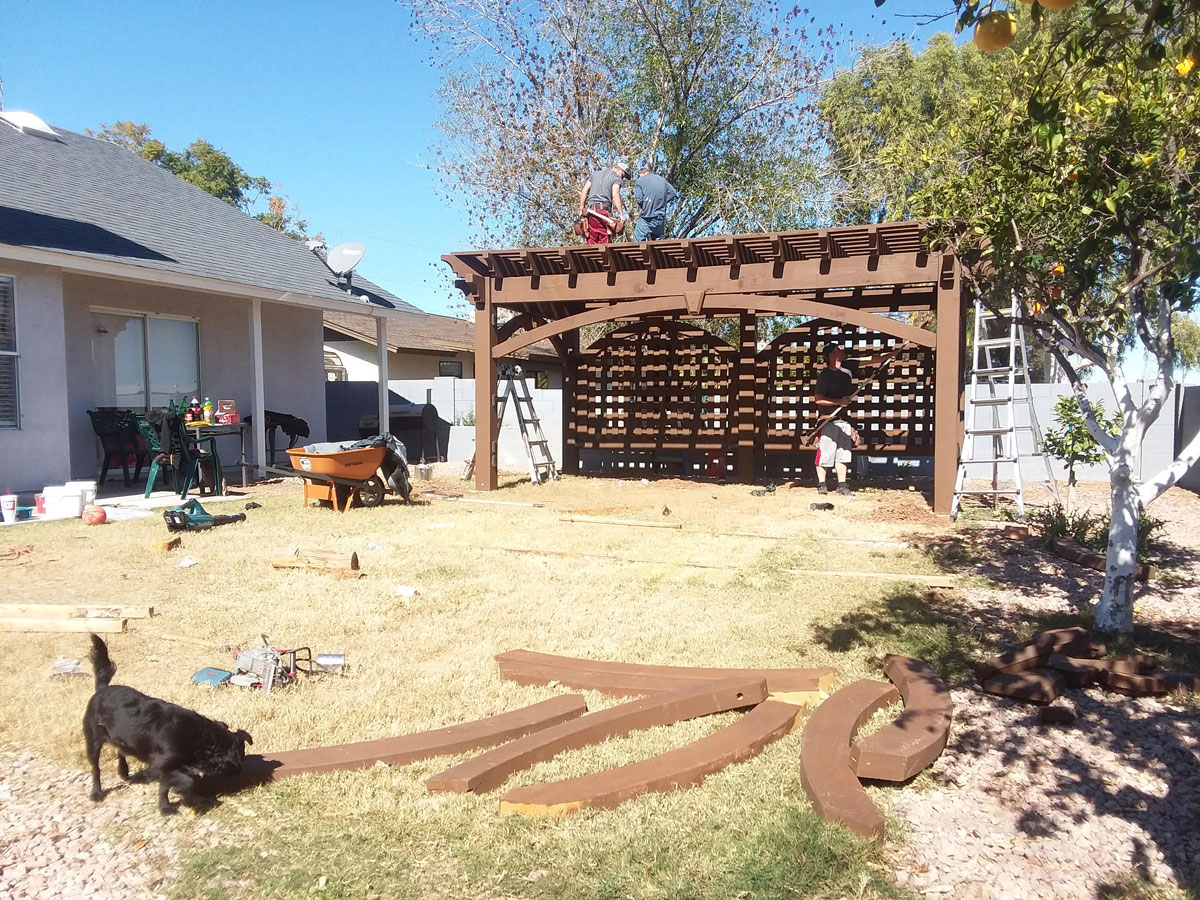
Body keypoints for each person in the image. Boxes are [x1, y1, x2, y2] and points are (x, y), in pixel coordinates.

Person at [812, 345, 860, 496]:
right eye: (838, 349)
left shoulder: (848, 369)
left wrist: (889, 355)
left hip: (844, 421)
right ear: (831, 354)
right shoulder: (825, 376)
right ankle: (822, 484)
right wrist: (839, 402)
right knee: (825, 453)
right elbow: (818, 399)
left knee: (843, 453)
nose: (842, 350)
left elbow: (870, 360)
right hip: (828, 420)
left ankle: (842, 485)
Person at [578, 161, 630, 245]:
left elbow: (584, 191)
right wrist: (621, 214)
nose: (622, 178)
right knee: (604, 242)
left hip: (591, 212)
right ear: (619, 170)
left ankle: (591, 258)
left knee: (591, 240)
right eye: (623, 175)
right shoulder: (616, 179)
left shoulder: (595, 175)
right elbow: (615, 194)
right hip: (603, 212)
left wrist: (581, 208)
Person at [632, 166, 679, 241]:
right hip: (660, 217)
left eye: (638, 176)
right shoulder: (662, 180)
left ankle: (636, 252)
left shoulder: (639, 181)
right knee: (658, 242)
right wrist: (662, 202)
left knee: (637, 241)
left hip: (647, 217)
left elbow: (639, 199)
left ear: (641, 174)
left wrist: (646, 206)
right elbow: (672, 192)